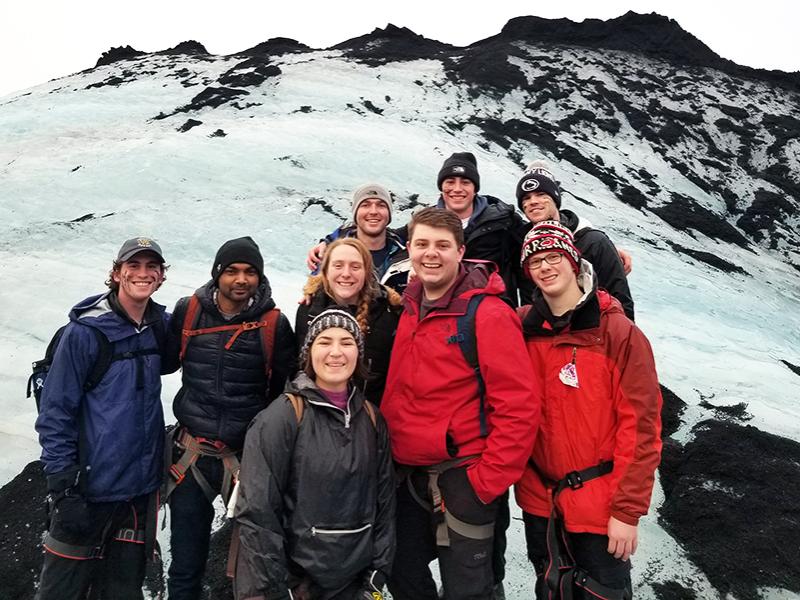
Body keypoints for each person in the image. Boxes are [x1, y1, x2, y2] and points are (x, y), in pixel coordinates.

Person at [380, 207, 540, 600]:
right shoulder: (409, 305)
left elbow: (518, 405)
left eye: (441, 245)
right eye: (421, 244)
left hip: (463, 475)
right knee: (398, 569)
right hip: (407, 476)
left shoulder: (486, 313)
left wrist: (486, 482)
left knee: (469, 590)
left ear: (460, 251)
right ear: (409, 250)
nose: (430, 254)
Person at [515, 221, 662, 599]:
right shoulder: (523, 328)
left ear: (573, 259)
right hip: (540, 499)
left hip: (600, 506)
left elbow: (641, 429)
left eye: (553, 258)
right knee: (550, 588)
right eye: (535, 262)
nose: (545, 268)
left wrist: (627, 513)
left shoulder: (618, 333)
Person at [162, 236, 297, 600]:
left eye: (250, 272)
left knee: (254, 568)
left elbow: (282, 394)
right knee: (185, 567)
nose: (241, 279)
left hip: (247, 460)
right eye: (232, 271)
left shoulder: (273, 324)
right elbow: (162, 362)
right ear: (217, 274)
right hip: (192, 457)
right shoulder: (189, 311)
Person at [35, 237, 169, 600]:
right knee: (62, 591)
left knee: (122, 592)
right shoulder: (86, 333)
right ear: (116, 273)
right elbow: (56, 411)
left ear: (161, 276)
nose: (143, 273)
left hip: (137, 494)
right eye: (134, 266)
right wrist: (63, 487)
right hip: (86, 490)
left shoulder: (159, 326)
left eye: (151, 267)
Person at [233, 308, 396, 600]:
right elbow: (258, 514)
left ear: (358, 353)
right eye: (324, 342)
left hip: (353, 583)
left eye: (347, 342)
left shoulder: (372, 419)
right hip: (294, 584)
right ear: (308, 353)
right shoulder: (281, 418)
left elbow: (384, 505)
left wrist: (375, 578)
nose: (336, 352)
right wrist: (279, 589)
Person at [515, 161, 635, 319]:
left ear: (555, 198)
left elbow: (621, 301)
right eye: (526, 198)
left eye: (541, 195)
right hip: (541, 337)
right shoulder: (518, 244)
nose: (533, 201)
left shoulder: (594, 242)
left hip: (593, 335)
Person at [296, 237, 402, 406]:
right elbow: (299, 369)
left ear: (366, 272)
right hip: (315, 414)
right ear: (326, 271)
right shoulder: (308, 310)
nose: (346, 273)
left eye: (355, 267)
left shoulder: (387, 314)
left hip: (368, 417)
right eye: (338, 265)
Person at [309, 183, 410, 292]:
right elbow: (314, 295)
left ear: (389, 214)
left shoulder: (406, 254)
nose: (373, 211)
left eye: (381, 205)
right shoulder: (330, 255)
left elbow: (427, 218)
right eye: (365, 205)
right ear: (355, 214)